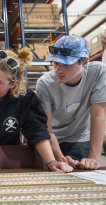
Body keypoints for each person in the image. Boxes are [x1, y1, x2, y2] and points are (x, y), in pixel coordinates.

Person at [0, 48, 72, 173]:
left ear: (13, 84)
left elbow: (37, 130)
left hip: (7, 160)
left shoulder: (26, 98)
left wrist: (51, 162)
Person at [36, 35, 106, 170]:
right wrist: (60, 159)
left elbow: (99, 116)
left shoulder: (98, 72)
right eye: (56, 63)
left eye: (66, 65)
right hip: (52, 140)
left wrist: (93, 158)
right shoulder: (44, 84)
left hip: (79, 138)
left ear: (85, 62)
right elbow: (47, 129)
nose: (58, 70)